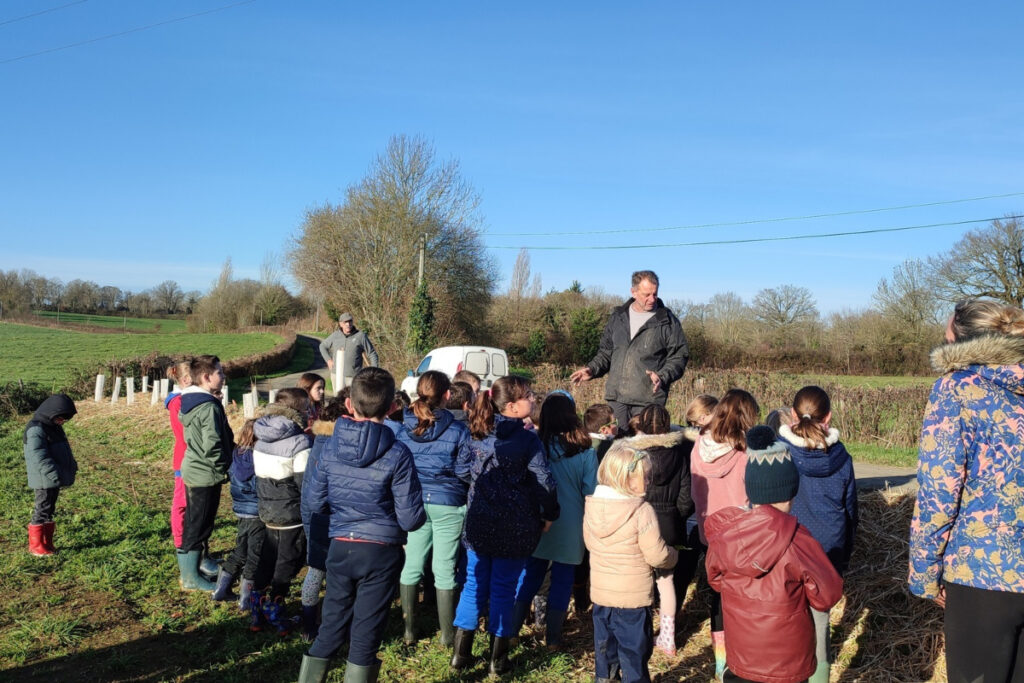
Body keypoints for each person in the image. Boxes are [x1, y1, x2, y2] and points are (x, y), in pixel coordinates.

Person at [909, 299, 1024, 683]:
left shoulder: (956, 389)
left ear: (961, 343)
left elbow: (938, 494)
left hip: (983, 574)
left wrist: (925, 573)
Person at [297, 367, 425, 683]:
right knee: (365, 635)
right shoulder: (399, 453)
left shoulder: (326, 448)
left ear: (350, 405)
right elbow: (410, 518)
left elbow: (314, 503)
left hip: (340, 546)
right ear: (393, 407)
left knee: (330, 628)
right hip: (381, 552)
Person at [705, 425, 843, 683]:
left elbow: (715, 580)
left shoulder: (725, 535)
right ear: (791, 491)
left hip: (741, 660)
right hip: (788, 665)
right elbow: (828, 594)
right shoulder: (798, 540)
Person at [451, 375, 560, 675]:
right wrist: (550, 513)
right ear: (512, 406)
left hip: (479, 522)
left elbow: (461, 467)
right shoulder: (527, 439)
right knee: (503, 589)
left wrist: (481, 488)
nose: (535, 399)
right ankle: (497, 661)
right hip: (513, 527)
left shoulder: (475, 431)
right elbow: (544, 482)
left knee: (474, 585)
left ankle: (461, 657)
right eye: (530, 395)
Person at [777, 386, 858, 683]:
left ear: (793, 415)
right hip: (827, 548)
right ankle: (819, 676)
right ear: (829, 417)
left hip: (787, 548)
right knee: (820, 618)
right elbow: (851, 512)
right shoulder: (843, 458)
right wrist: (844, 556)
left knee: (786, 616)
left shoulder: (779, 452)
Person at [584, 439, 678, 683]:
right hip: (632, 599)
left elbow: (589, 544)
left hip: (602, 596)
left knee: (605, 649)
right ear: (626, 480)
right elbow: (656, 554)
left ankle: (605, 679)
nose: (649, 482)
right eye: (644, 477)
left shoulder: (593, 505)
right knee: (634, 652)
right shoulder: (641, 510)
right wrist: (673, 555)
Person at [509, 392, 598, 648]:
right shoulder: (585, 452)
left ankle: (513, 631)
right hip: (571, 524)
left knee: (530, 575)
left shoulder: (534, 444)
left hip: (537, 519)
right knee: (562, 580)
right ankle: (554, 638)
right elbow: (590, 490)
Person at [395, 370, 473, 647]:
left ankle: (408, 631)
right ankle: (447, 636)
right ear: (447, 395)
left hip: (415, 502)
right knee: (444, 568)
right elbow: (465, 471)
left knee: (411, 566)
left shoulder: (403, 428)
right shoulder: (458, 430)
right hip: (448, 503)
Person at [689, 388, 759, 679]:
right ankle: (743, 656)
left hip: (711, 533)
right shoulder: (746, 453)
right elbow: (753, 495)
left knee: (717, 596)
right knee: (745, 599)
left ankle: (721, 662)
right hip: (742, 537)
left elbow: (695, 493)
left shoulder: (698, 447)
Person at [570, 270, 690, 430]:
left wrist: (663, 376)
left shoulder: (667, 321)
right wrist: (592, 369)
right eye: (646, 294)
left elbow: (679, 357)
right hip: (617, 399)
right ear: (633, 292)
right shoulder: (618, 317)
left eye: (655, 294)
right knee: (617, 448)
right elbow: (606, 352)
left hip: (649, 400)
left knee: (644, 451)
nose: (652, 299)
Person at [629, 404, 694, 657]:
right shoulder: (679, 453)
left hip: (639, 521)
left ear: (641, 424)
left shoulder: (632, 451)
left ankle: (641, 634)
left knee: (641, 581)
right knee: (666, 581)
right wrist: (676, 515)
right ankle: (668, 637)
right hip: (669, 523)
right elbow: (687, 495)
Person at [252, 387, 312, 636]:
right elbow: (305, 484)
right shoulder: (300, 442)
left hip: (267, 510)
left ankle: (256, 608)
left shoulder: (261, 435)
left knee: (267, 558)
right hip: (292, 514)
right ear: (299, 410)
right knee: (288, 562)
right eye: (308, 407)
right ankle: (276, 608)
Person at [178, 355, 234, 592]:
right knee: (198, 525)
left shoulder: (192, 400)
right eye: (219, 372)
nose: (223, 376)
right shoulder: (209, 406)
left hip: (195, 468)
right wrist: (224, 467)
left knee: (198, 521)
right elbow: (213, 444)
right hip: (205, 472)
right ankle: (190, 578)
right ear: (206, 377)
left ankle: (200, 563)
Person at [300, 397, 348, 642]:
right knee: (333, 572)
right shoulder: (335, 444)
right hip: (329, 514)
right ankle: (330, 623)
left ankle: (308, 624)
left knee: (315, 569)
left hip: (313, 512)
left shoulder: (319, 440)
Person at [212, 419, 264, 614]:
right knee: (254, 555)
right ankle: (246, 599)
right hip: (256, 513)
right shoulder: (259, 460)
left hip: (240, 510)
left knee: (240, 550)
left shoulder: (237, 455)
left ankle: (220, 589)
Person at [24, 394, 78, 556]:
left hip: (53, 477)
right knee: (42, 509)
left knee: (49, 509)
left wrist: (71, 465)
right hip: (44, 478)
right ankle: (36, 546)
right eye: (61, 418)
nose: (62, 422)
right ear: (51, 412)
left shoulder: (53, 427)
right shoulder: (36, 429)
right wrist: (54, 473)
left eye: (65, 420)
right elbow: (39, 456)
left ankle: (46, 543)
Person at [165, 358, 193, 553]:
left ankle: (189, 540)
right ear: (185, 380)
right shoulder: (179, 402)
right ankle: (180, 542)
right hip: (184, 457)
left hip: (188, 455)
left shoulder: (183, 399)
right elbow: (184, 432)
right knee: (181, 502)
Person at [318, 313, 379, 389]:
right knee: (338, 400)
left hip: (354, 378)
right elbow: (322, 346)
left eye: (350, 321)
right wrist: (328, 360)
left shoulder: (360, 336)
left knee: (352, 400)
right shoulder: (335, 335)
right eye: (345, 322)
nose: (348, 324)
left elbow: (372, 354)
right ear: (340, 324)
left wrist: (373, 372)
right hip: (336, 376)